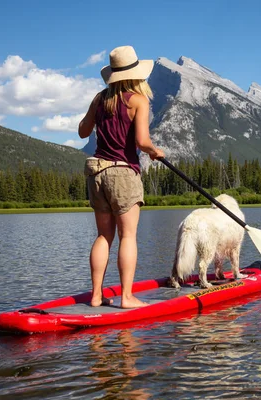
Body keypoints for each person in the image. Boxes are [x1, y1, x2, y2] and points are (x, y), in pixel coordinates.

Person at [78, 45, 165, 308]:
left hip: (96, 173)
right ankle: (126, 297)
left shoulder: (99, 99)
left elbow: (83, 132)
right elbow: (142, 141)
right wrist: (155, 151)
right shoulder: (138, 100)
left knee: (103, 236)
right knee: (128, 236)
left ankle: (95, 296)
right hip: (123, 173)